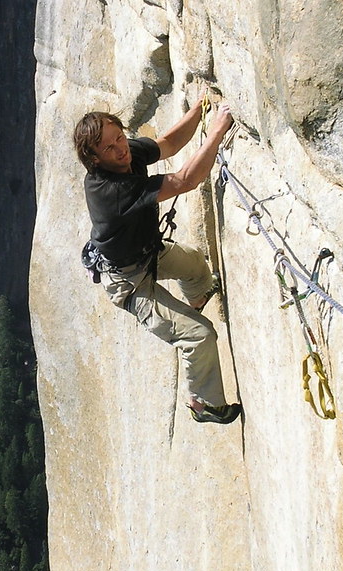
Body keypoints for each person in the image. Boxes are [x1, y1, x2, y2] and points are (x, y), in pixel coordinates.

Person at [73, 96, 242, 424]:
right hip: (128, 282)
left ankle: (197, 298)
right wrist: (216, 132)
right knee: (199, 336)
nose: (120, 149)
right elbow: (185, 180)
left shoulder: (124, 153)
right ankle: (205, 405)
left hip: (147, 251)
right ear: (94, 159)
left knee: (195, 264)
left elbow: (169, 143)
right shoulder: (111, 189)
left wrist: (198, 110)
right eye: (109, 147)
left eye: (119, 137)